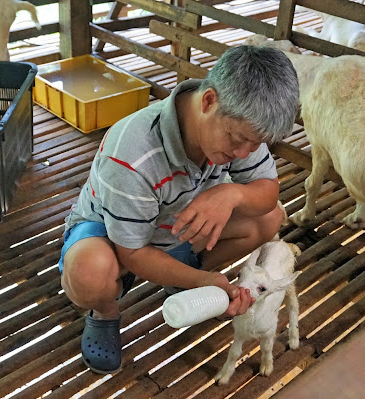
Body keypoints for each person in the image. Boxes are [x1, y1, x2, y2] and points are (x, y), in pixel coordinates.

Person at [58, 44, 299, 374]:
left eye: (254, 145)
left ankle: (179, 275)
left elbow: (268, 193)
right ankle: (105, 312)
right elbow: (132, 251)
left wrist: (231, 194)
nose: (244, 152)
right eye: (236, 139)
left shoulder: (242, 125)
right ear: (208, 101)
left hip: (175, 224)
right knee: (90, 273)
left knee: (268, 218)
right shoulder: (130, 153)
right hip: (115, 236)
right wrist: (205, 282)